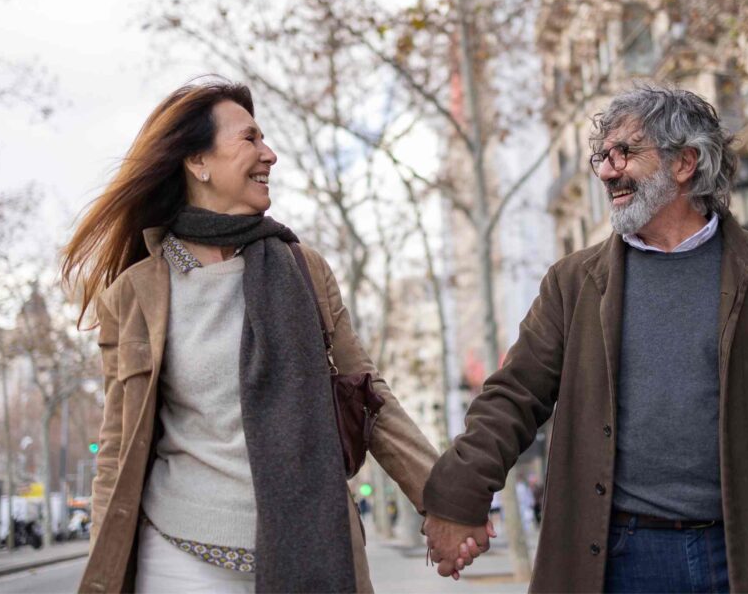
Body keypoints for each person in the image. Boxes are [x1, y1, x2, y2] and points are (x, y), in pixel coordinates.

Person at [421, 85, 748, 593]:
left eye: (624, 153)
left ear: (685, 163)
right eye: (601, 158)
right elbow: (512, 397)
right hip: (623, 560)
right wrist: (458, 495)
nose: (608, 171)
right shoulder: (574, 283)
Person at [64, 79, 457, 593]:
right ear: (197, 162)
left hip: (309, 551)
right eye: (250, 139)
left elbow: (369, 398)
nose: (268, 154)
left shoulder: (303, 268)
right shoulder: (135, 295)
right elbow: (117, 448)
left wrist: (446, 501)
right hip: (179, 560)